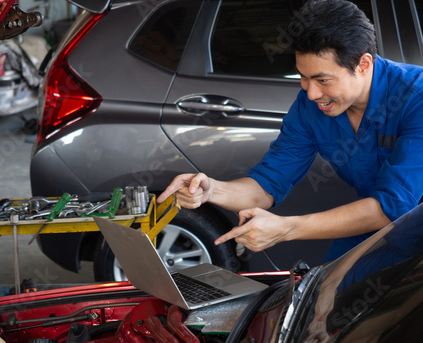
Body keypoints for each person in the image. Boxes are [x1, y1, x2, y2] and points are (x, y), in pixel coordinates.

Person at [157, 0, 423, 262]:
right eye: (303, 77)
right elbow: (268, 183)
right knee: (324, 295)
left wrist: (287, 228)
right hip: (380, 228)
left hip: (410, 224)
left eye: (322, 79)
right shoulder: (309, 107)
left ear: (363, 65)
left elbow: (393, 205)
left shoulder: (416, 97)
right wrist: (211, 190)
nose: (312, 92)